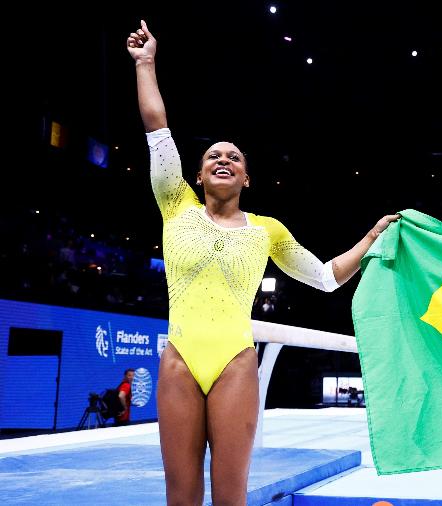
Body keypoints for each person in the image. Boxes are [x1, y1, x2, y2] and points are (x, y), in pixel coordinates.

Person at [127, 20, 399, 504]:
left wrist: (372, 237)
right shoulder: (175, 203)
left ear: (247, 178)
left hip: (234, 362)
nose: (223, 159)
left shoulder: (267, 231)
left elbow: (326, 278)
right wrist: (146, 63)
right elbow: (156, 127)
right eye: (213, 155)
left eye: (234, 156)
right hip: (179, 361)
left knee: (231, 495)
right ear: (197, 174)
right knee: (181, 494)